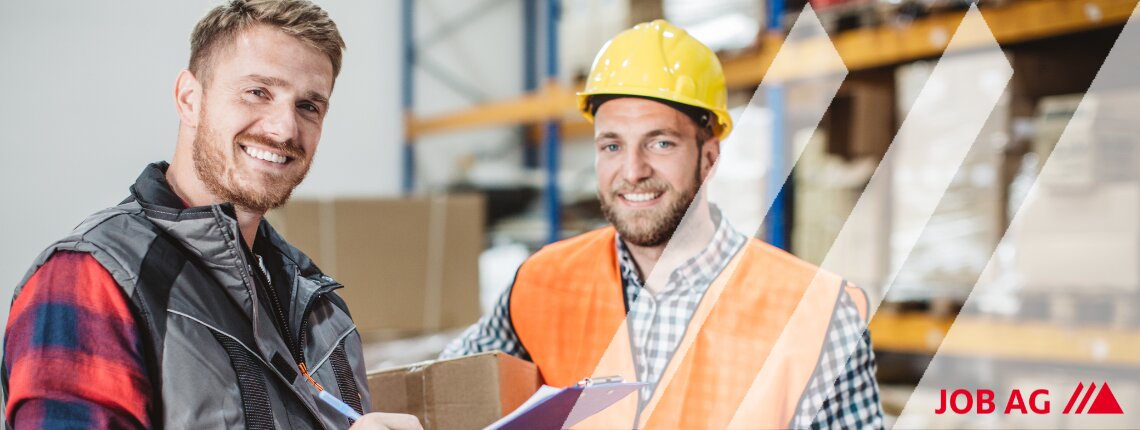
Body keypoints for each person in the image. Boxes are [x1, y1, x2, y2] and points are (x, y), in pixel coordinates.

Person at [443, 20, 883, 429]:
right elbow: (445, 397)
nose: (633, 171)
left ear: (708, 158)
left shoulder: (819, 315)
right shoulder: (542, 283)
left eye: (660, 142)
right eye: (612, 146)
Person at [1, 1, 420, 429]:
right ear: (189, 99)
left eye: (308, 106)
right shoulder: (91, 279)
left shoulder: (324, 311)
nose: (284, 129)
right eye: (258, 92)